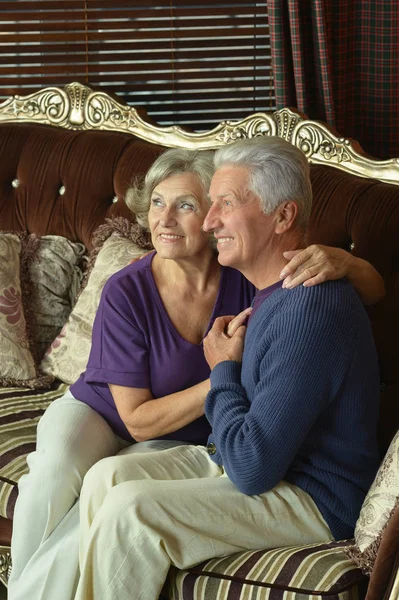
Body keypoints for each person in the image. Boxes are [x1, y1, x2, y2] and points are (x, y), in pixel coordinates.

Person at [9, 144, 382, 600]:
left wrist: (223, 369)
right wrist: (224, 375)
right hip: (124, 415)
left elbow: (252, 468)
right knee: (102, 475)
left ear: (282, 217)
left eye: (222, 204)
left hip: (313, 492)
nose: (209, 221)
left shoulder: (300, 299)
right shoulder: (263, 282)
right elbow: (149, 419)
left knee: (130, 510)